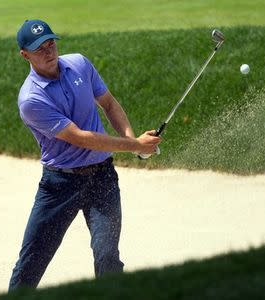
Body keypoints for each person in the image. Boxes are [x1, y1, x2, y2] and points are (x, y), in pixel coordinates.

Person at [9, 19, 161, 290]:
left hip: (102, 178)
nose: (48, 51)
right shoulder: (31, 99)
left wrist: (131, 139)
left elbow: (109, 104)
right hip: (60, 186)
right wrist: (136, 146)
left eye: (50, 43)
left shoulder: (79, 63)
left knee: (107, 257)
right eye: (39, 48)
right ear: (25, 55)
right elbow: (80, 138)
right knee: (32, 261)